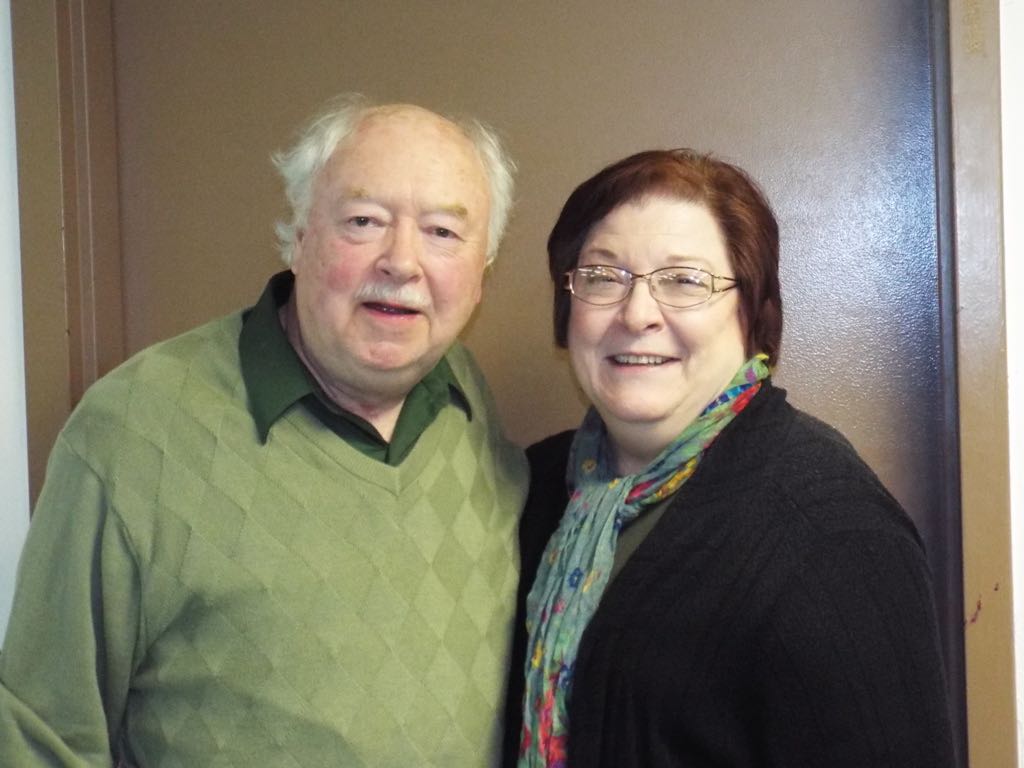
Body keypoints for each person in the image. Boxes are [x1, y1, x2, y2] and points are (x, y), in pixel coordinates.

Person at [0, 94, 528, 767]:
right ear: (300, 237)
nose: (402, 262)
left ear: (481, 274)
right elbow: (39, 735)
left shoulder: (470, 408)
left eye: (443, 233)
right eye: (364, 221)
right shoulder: (133, 431)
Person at [502, 149, 957, 767]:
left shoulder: (830, 531)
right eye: (604, 277)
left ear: (750, 313)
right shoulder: (535, 492)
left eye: (684, 281)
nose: (637, 314)